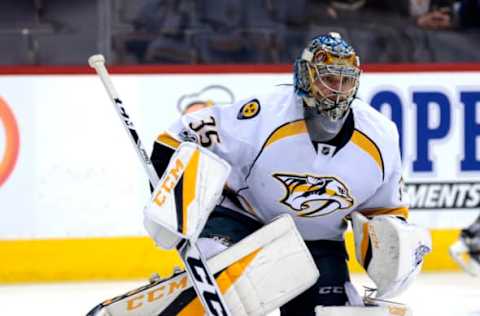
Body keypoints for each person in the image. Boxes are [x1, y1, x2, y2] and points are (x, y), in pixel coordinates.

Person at [147, 32, 431, 315]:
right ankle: (188, 294)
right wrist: (175, 200)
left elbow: (387, 211)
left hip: (318, 244)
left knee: (332, 312)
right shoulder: (263, 114)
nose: (337, 90)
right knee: (223, 284)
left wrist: (390, 253)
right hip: (244, 224)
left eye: (346, 80)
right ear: (305, 77)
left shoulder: (381, 136)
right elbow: (174, 139)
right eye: (328, 78)